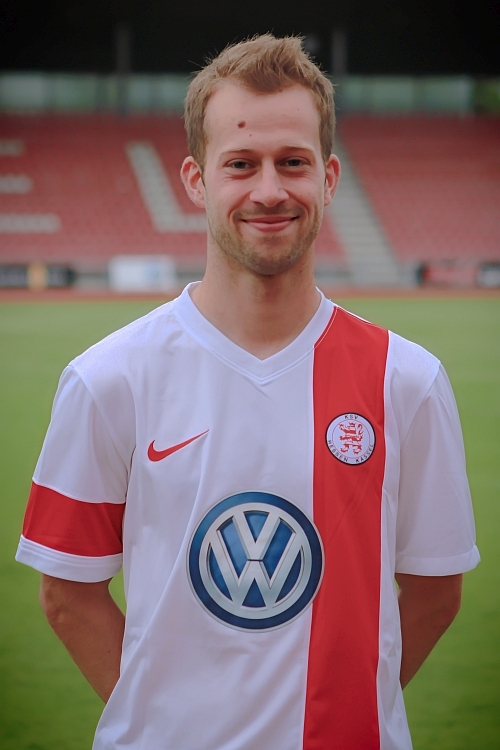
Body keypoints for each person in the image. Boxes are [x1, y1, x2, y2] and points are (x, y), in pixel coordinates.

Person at [16, 34, 479, 750]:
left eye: (293, 162)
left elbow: (436, 591)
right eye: (241, 164)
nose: (269, 191)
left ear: (328, 177)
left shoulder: (408, 380)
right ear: (197, 180)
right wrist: (167, 723)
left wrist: (347, 710)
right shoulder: (106, 379)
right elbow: (67, 593)